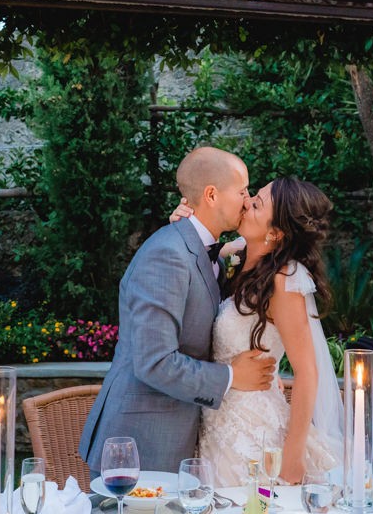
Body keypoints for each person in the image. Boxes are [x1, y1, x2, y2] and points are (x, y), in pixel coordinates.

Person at [79, 146, 276, 475]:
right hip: (141, 447)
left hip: (179, 443)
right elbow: (154, 361)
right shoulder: (167, 256)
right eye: (242, 190)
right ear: (211, 194)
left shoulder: (204, 250)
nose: (247, 199)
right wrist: (230, 376)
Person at [175, 177, 344, 486]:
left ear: (275, 232)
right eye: (252, 196)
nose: (247, 202)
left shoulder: (284, 281)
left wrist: (292, 459)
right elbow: (193, 249)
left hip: (253, 429)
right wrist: (182, 224)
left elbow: (308, 373)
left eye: (257, 203)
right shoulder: (237, 256)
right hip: (216, 420)